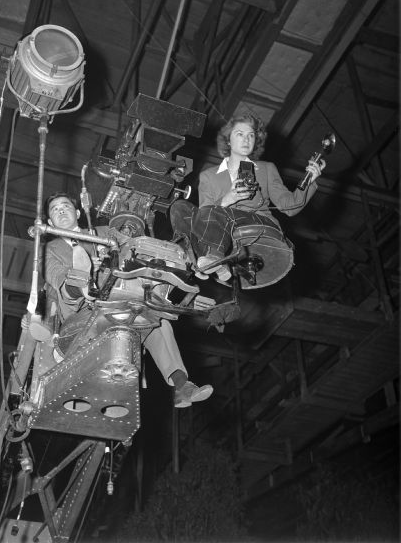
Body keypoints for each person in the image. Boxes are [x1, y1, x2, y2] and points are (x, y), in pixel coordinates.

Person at [43, 192, 213, 409]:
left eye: (65, 206)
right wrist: (85, 274)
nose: (61, 211)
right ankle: (80, 281)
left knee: (160, 324)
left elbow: (139, 251)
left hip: (120, 299)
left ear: (77, 212)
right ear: (50, 222)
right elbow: (54, 275)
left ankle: (181, 385)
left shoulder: (104, 233)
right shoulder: (50, 248)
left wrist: (187, 268)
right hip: (81, 308)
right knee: (71, 280)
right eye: (55, 209)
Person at [170, 113, 325, 281]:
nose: (246, 140)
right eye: (240, 134)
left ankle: (214, 259)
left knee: (215, 212)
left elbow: (290, 207)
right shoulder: (209, 176)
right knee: (180, 208)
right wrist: (227, 199)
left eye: (251, 135)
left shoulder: (266, 169)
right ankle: (188, 259)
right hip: (221, 230)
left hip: (258, 222)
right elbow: (204, 215)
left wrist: (309, 181)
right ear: (228, 140)